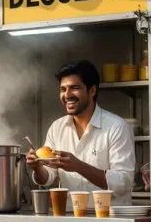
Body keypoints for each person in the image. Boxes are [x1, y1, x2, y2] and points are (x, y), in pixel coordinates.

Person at [26, 60, 136, 207]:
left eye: (74, 88)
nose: (67, 95)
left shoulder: (117, 127)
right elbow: (47, 178)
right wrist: (37, 167)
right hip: (71, 217)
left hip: (110, 220)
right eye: (63, 89)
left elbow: (123, 182)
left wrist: (78, 166)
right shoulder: (57, 127)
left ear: (92, 90)